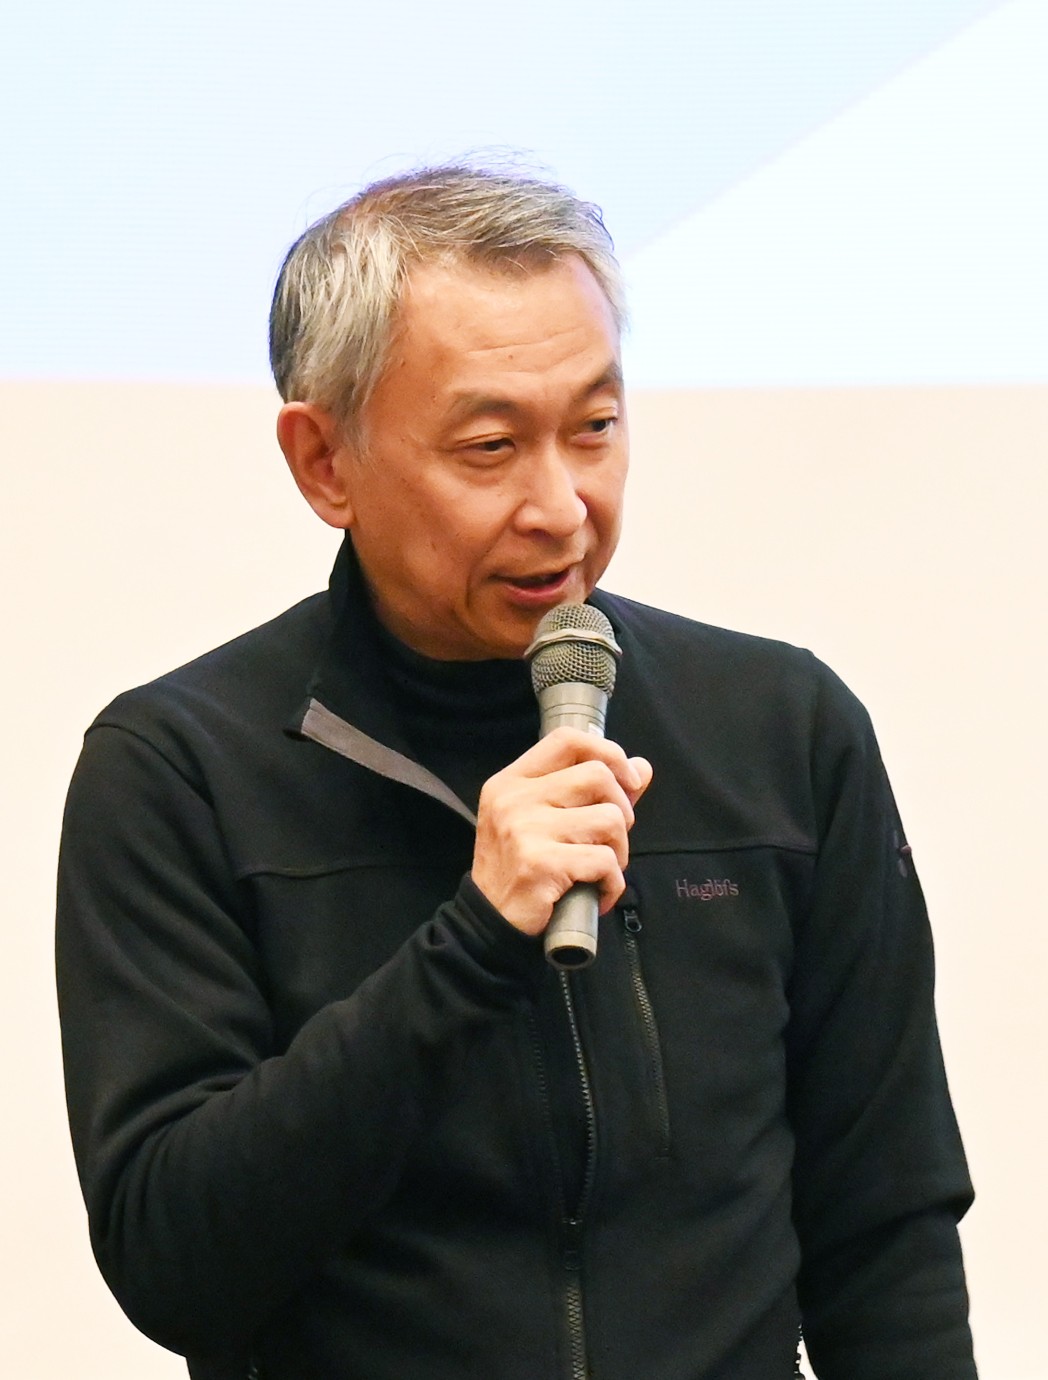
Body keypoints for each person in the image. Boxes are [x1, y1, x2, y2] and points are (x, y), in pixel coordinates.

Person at [56, 164, 977, 1380]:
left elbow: (887, 1231)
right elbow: (173, 1260)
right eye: (490, 447)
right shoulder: (180, 772)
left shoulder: (783, 731)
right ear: (324, 461)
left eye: (594, 427)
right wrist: (472, 942)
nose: (561, 506)